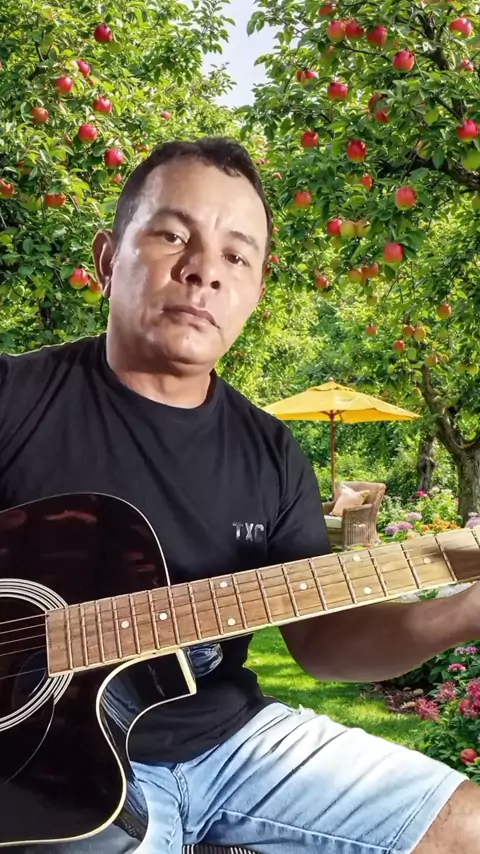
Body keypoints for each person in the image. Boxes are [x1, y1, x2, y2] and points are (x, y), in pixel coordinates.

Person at [1, 137, 480, 854]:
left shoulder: (272, 453)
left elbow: (324, 644)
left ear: (255, 291)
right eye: (172, 236)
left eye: (237, 256)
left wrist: (463, 612)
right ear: (107, 259)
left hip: (232, 743)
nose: (204, 271)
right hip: (49, 770)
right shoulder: (15, 397)